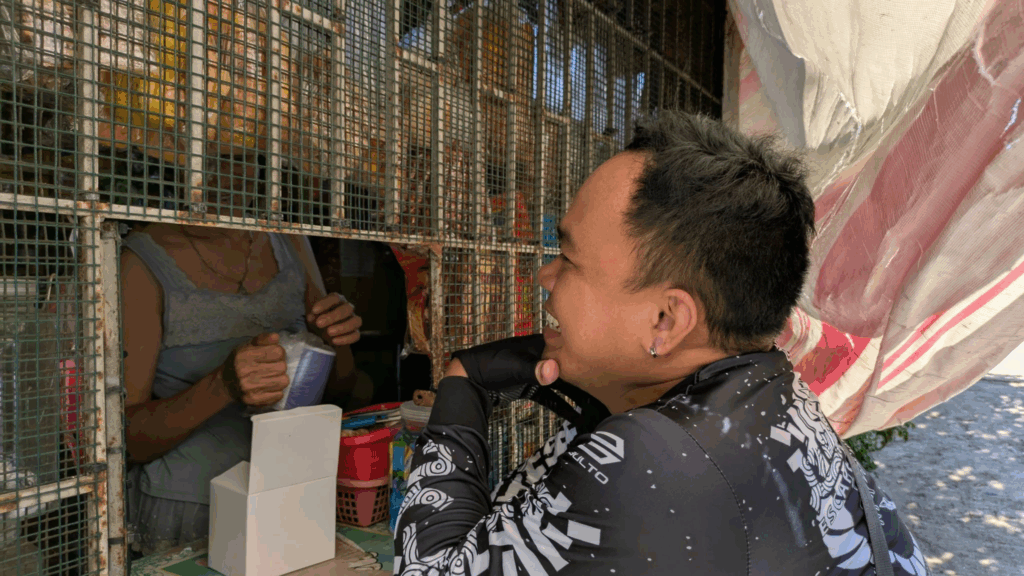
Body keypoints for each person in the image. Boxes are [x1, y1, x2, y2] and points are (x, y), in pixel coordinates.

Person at [393, 111, 927, 574]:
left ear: (666, 320)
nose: (545, 276)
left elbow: (432, 568)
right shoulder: (774, 399)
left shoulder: (646, 464)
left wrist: (463, 388)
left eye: (570, 260)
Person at [121, 159, 372, 555]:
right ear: (179, 155)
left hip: (291, 493)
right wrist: (222, 385)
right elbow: (126, 441)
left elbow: (340, 391)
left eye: (248, 151)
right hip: (194, 510)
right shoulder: (144, 259)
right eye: (218, 151)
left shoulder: (286, 240)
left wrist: (335, 340)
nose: (236, 167)